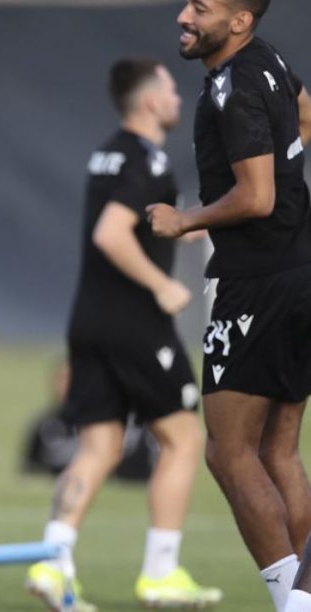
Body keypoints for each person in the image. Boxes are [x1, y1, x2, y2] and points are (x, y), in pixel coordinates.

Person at [25, 58, 222, 611]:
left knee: (100, 446)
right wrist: (162, 285)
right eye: (170, 90)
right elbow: (112, 234)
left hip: (88, 319)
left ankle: (52, 562)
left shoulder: (107, 153)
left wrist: (194, 225)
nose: (178, 98)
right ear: (150, 101)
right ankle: (161, 572)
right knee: (183, 438)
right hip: (136, 324)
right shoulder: (148, 160)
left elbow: (137, 224)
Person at [148, 1, 311, 609]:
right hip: (299, 269)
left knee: (228, 450)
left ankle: (293, 602)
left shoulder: (232, 86)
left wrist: (184, 220)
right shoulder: (269, 61)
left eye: (202, 8)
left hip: (256, 284)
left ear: (240, 21)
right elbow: (304, 112)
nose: (184, 16)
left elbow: (257, 197)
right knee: (278, 452)